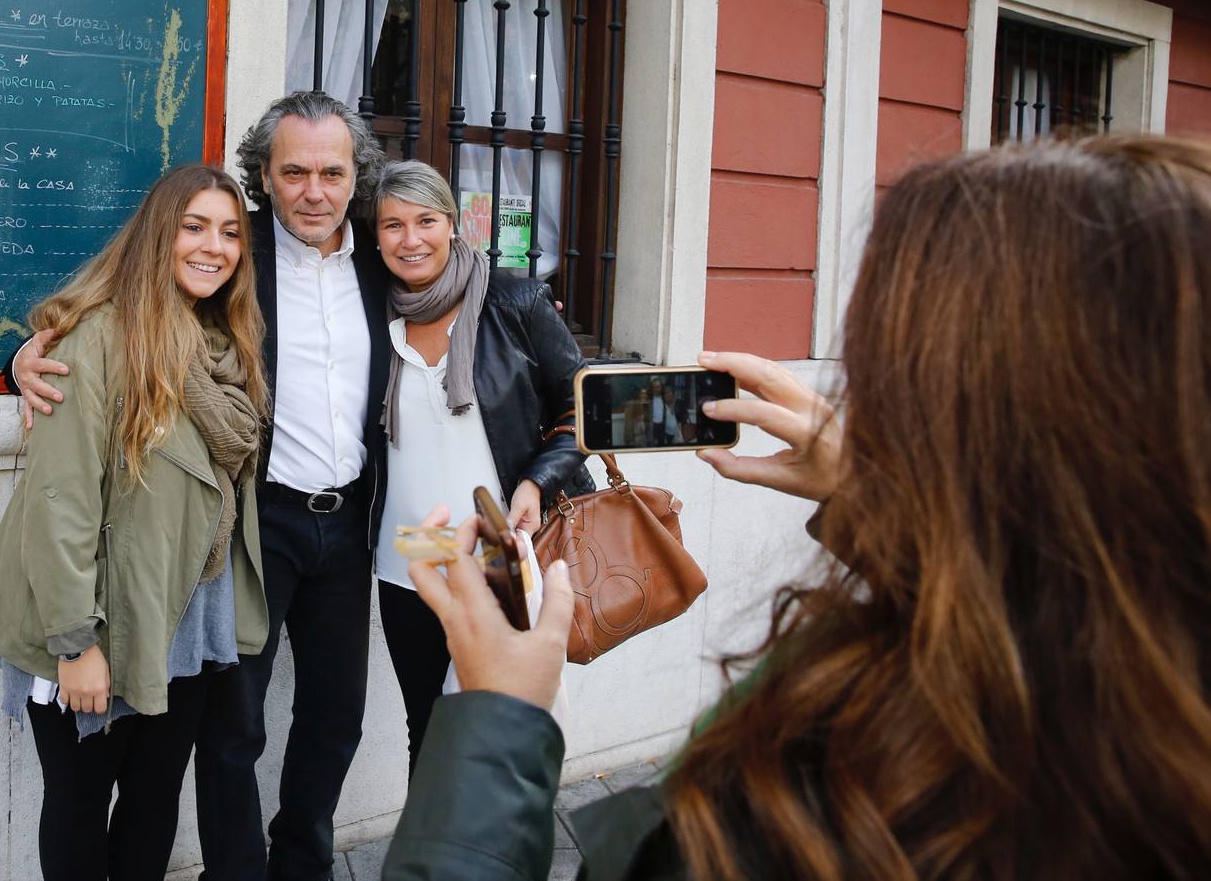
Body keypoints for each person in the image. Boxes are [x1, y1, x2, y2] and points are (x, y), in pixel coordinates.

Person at [381, 136, 1211, 879]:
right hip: (408, 550)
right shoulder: (1111, 675)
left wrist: (500, 726)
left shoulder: (839, 789)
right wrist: (883, 508)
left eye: (886, 343)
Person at [7, 91, 392, 881]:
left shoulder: (383, 263)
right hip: (255, 527)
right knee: (229, 733)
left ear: (357, 178)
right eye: (293, 172)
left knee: (329, 721)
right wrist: (17, 359)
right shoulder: (230, 250)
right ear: (264, 176)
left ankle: (302, 866)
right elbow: (94, 326)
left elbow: (464, 293)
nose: (313, 191)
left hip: (338, 528)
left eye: (331, 172)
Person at [0, 164, 269, 881]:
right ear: (156, 235)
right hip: (94, 617)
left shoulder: (225, 346)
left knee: (154, 798)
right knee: (80, 803)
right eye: (194, 226)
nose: (214, 246)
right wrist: (76, 644)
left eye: (230, 232)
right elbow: (61, 502)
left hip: (188, 613)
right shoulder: (94, 340)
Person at [370, 160, 592, 777]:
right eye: (392, 225)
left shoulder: (514, 300)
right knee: (428, 725)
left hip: (499, 547)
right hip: (409, 552)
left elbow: (583, 406)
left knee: (502, 722)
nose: (410, 239)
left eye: (425, 221)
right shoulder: (372, 311)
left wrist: (535, 480)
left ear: (453, 224)